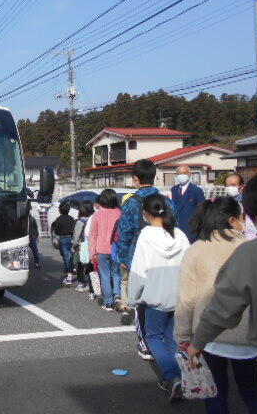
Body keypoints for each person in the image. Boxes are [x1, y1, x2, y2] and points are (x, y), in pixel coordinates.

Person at [175, 196, 257, 413]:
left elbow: (186, 300)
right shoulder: (250, 247)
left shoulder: (196, 250)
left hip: (208, 336)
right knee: (254, 393)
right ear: (234, 219)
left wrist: (184, 337)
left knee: (215, 393)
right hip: (249, 337)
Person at [128, 193, 190, 403]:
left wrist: (133, 298)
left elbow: (139, 271)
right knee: (172, 338)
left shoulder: (146, 235)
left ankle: (171, 377)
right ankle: (178, 376)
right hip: (179, 295)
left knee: (153, 337)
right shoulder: (179, 234)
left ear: (146, 213)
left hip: (155, 296)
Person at [117, 159, 176, 359]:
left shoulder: (132, 202)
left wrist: (123, 256)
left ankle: (146, 342)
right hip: (166, 257)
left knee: (142, 300)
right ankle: (165, 339)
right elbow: (174, 225)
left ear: (135, 178)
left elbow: (125, 232)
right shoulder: (167, 201)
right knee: (164, 298)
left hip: (138, 257)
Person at [89, 189, 122, 311]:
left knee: (105, 275)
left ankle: (108, 302)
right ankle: (117, 295)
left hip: (101, 249)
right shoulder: (120, 213)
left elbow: (93, 236)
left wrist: (92, 253)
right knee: (117, 273)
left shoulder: (97, 215)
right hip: (116, 249)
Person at [170, 164, 205, 243]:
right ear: (176, 175)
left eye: (184, 173)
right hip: (176, 229)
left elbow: (202, 211)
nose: (182, 175)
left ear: (189, 174)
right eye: (180, 173)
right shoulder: (173, 189)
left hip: (191, 230)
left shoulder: (197, 190)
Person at [225, 172, 257, 240]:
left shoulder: (249, 203)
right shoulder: (225, 203)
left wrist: (242, 229)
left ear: (241, 186)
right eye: (227, 185)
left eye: (233, 185)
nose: (229, 188)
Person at [72, 200, 94, 293]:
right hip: (92, 245)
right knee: (90, 266)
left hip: (82, 246)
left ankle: (81, 283)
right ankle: (90, 284)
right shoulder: (93, 219)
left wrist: (74, 245)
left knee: (80, 266)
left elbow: (76, 235)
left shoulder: (80, 221)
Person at [52, 202, 76, 286]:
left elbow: (56, 230)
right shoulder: (72, 219)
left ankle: (69, 275)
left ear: (59, 210)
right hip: (71, 238)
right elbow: (74, 229)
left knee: (66, 256)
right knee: (72, 255)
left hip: (63, 239)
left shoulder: (58, 219)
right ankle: (72, 268)